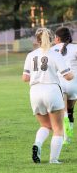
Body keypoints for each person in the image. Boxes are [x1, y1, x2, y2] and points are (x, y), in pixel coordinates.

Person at [22, 28, 74, 164]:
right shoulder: (55, 55)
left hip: (35, 92)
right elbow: (68, 76)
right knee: (58, 128)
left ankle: (37, 145)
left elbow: (25, 78)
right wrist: (73, 73)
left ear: (37, 40)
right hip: (51, 90)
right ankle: (53, 160)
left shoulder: (31, 55)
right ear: (51, 39)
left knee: (45, 125)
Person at [52, 27, 77, 144]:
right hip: (73, 82)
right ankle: (69, 136)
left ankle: (64, 137)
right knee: (71, 110)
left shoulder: (52, 49)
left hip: (59, 83)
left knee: (63, 111)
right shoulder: (75, 47)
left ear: (57, 38)